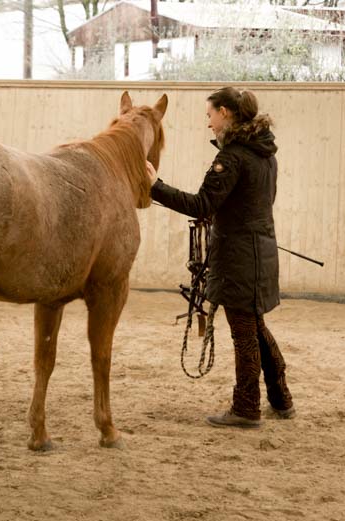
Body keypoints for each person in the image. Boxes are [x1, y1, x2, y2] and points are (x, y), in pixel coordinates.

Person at [145, 87, 295, 428]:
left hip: (239, 257)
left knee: (244, 333)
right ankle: (281, 399)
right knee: (255, 327)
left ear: (225, 113)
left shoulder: (232, 158)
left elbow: (201, 205)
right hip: (260, 251)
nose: (208, 123)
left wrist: (155, 185)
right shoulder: (265, 155)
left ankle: (246, 407)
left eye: (210, 115)